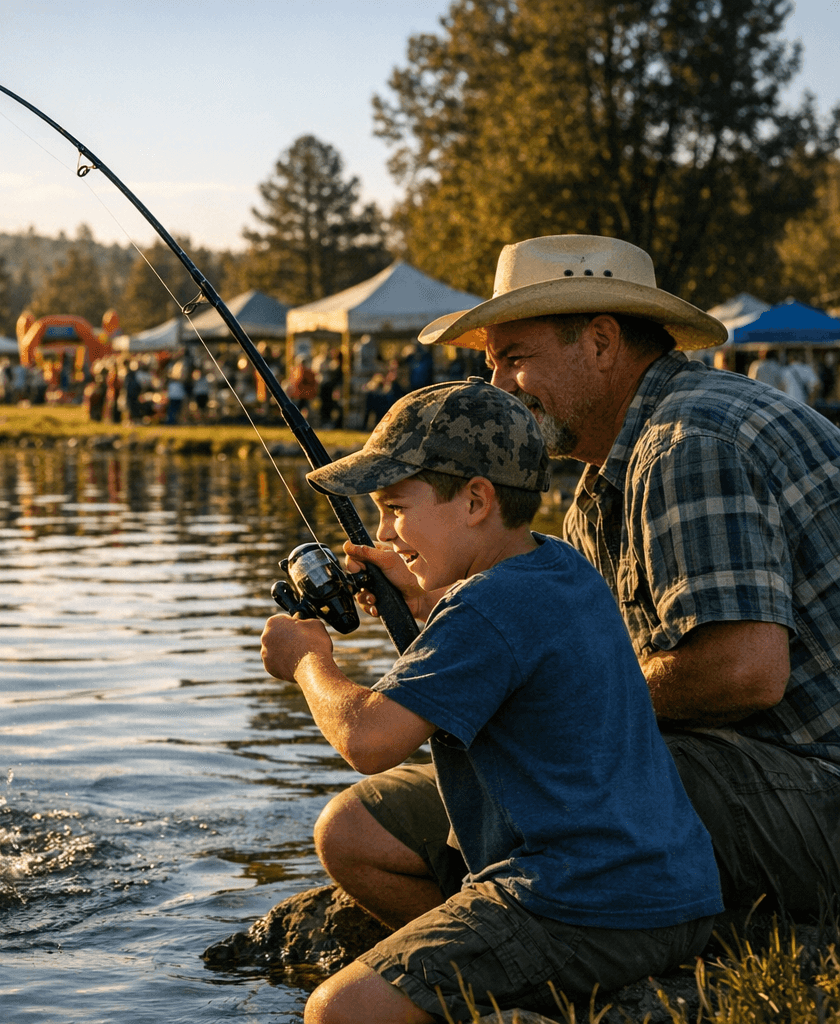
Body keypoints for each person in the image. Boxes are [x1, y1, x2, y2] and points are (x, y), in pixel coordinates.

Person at [321, 234, 840, 945]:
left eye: (515, 359)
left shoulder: (690, 441)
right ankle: (500, 973)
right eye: (490, 363)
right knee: (358, 830)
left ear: (599, 341)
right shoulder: (600, 489)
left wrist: (539, 700)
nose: (497, 388)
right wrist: (434, 612)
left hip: (816, 791)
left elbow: (745, 672)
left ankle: (572, 953)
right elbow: (573, 653)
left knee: (544, 788)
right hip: (760, 778)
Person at [261, 380, 720, 1022]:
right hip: (674, 893)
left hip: (584, 904)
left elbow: (367, 741)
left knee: (337, 1011)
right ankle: (473, 977)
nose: (386, 533)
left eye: (396, 508)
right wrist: (424, 604)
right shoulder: (558, 566)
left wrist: (307, 660)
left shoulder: (484, 610)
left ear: (476, 499)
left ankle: (485, 976)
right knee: (351, 830)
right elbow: (503, 658)